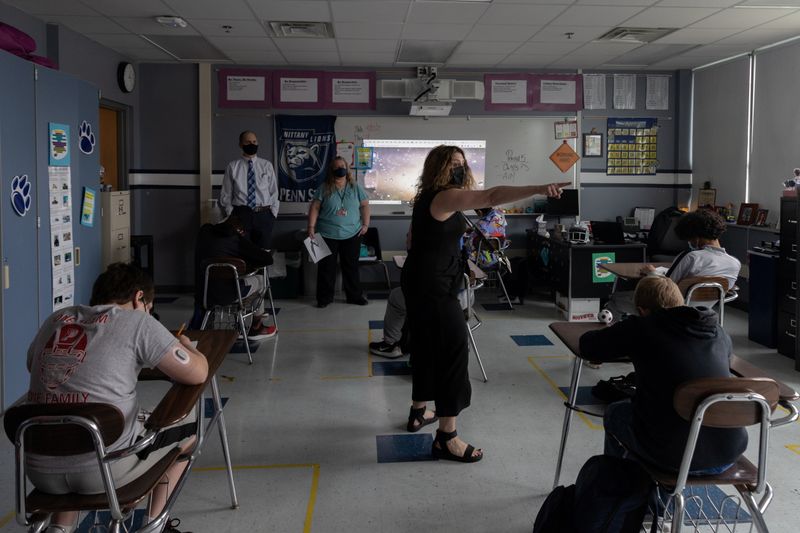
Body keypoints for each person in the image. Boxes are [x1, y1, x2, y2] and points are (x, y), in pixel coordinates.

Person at [402, 144, 568, 462]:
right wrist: (538, 188)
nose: (458, 168)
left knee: (425, 347)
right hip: (435, 288)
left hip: (424, 280)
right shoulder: (445, 196)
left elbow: (430, 241)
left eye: (462, 163)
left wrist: (461, 263)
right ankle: (447, 437)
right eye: (452, 163)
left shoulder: (431, 198)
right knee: (453, 353)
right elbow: (491, 196)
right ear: (437, 167)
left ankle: (418, 412)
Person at [24, 263, 209, 533]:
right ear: (139, 298)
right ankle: (155, 526)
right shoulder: (138, 323)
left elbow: (33, 365)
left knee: (70, 422)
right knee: (189, 423)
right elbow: (197, 373)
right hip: (102, 472)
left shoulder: (56, 320)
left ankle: (59, 528)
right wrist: (191, 348)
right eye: (149, 306)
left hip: (39, 469)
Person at [580, 276, 747, 474]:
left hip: (672, 457)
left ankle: (622, 487)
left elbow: (588, 346)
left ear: (642, 311)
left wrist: (619, 333)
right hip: (728, 453)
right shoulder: (717, 331)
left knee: (616, 412)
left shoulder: (641, 328)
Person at [606, 208, 740, 320]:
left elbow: (665, 287)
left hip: (669, 310)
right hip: (704, 314)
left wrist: (651, 272)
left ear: (696, 237)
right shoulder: (734, 264)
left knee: (615, 299)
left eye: (689, 239)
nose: (690, 243)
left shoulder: (691, 257)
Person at [191, 215, 276, 339]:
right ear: (240, 230)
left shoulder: (204, 232)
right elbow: (267, 259)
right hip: (227, 295)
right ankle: (256, 327)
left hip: (202, 295)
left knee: (228, 280)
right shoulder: (235, 239)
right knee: (260, 280)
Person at [307, 156, 370, 308]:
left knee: (351, 267)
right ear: (331, 170)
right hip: (325, 233)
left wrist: (366, 224)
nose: (340, 168)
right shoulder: (323, 187)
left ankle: (354, 296)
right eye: (336, 167)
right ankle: (324, 298)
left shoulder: (356, 188)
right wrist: (311, 227)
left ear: (347, 169)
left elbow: (365, 206)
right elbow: (314, 208)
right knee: (325, 268)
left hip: (352, 233)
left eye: (342, 166)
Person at [219, 130, 280, 249]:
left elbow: (274, 191)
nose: (252, 144)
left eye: (254, 141)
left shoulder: (266, 165)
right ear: (241, 145)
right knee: (242, 251)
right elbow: (226, 194)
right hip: (241, 215)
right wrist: (230, 213)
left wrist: (273, 213)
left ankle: (262, 269)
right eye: (248, 142)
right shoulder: (233, 166)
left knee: (263, 253)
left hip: (264, 215)